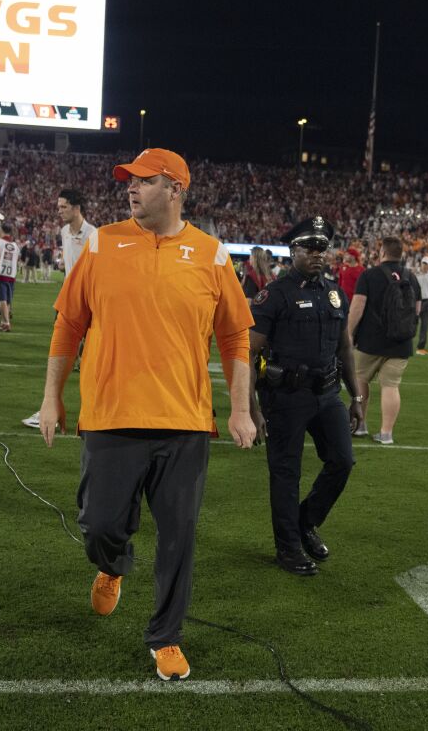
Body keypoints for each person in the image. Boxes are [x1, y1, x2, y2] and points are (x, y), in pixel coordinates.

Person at [37, 148, 256, 682]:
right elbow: (69, 323)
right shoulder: (101, 243)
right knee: (100, 526)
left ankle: (166, 637)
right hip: (111, 416)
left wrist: (241, 409)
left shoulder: (212, 254)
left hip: (184, 422)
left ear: (175, 189)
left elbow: (234, 334)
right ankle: (112, 565)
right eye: (129, 182)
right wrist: (51, 396)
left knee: (179, 536)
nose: (130, 190)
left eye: (143, 182)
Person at [248, 217, 363, 576]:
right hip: (285, 396)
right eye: (308, 248)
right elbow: (249, 355)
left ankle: (304, 521)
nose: (317, 254)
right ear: (292, 251)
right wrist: (250, 407)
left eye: (322, 248)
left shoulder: (334, 292)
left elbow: (345, 347)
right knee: (286, 473)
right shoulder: (274, 294)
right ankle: (288, 548)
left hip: (327, 392)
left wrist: (356, 396)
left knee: (342, 461)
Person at [22, 189, 96, 428]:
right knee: (60, 357)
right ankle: (49, 408)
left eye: (63, 206)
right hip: (67, 301)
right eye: (59, 206)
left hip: (88, 303)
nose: (59, 210)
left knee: (92, 359)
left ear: (77, 208)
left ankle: (97, 410)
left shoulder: (94, 235)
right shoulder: (64, 231)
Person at [347, 237, 419, 444]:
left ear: (382, 253)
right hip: (401, 342)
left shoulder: (369, 275)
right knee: (391, 386)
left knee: (360, 381)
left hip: (371, 341)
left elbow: (358, 306)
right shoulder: (411, 277)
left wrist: (349, 333)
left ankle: (360, 425)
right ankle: (386, 433)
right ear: (401, 254)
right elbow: (418, 309)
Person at [0, 222, 20, 331]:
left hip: (0, 275)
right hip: (11, 276)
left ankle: (6, 322)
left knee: (1, 300)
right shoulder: (15, 245)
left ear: (1, 231)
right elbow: (16, 260)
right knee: (7, 300)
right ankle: (4, 322)